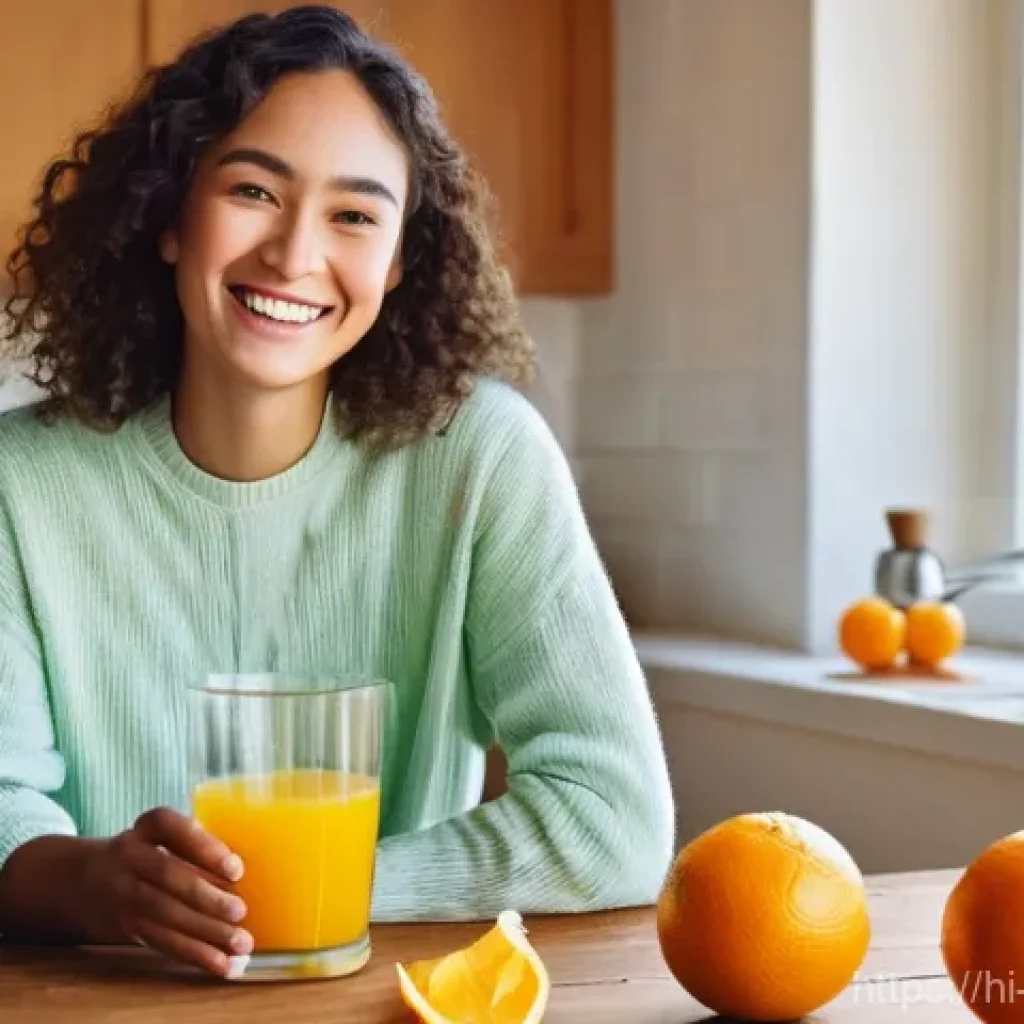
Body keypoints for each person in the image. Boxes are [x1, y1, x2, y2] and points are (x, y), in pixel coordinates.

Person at [0, 4, 675, 978]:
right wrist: (93, 881)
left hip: (376, 999)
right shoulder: (21, 486)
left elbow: (610, 819)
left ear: (398, 263)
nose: (293, 255)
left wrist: (312, 894)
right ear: (167, 219)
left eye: (354, 215)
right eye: (252, 191)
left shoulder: (481, 459)